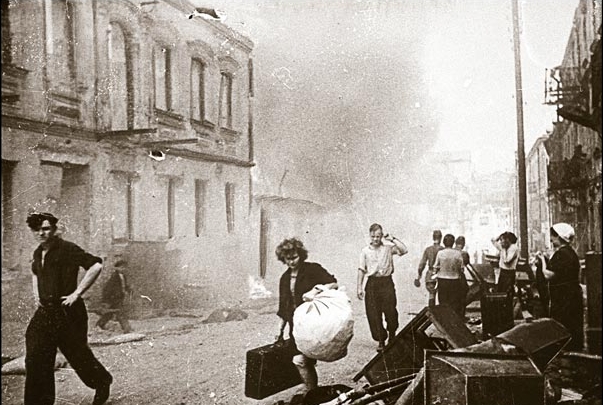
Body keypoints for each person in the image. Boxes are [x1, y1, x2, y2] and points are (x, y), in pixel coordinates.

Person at [24, 212, 113, 405]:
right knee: (36, 355)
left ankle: (102, 382)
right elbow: (35, 272)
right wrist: (36, 295)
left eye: (46, 228)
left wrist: (77, 293)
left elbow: (96, 265)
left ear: (54, 229)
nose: (41, 233)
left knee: (77, 354)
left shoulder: (67, 249)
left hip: (68, 311)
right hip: (45, 312)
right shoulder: (38, 253)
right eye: (37, 229)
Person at [275, 237, 338, 393]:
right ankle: (312, 391)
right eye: (287, 259)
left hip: (313, 323)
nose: (291, 262)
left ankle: (311, 391)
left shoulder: (312, 269)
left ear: (300, 255)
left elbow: (333, 283)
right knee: (302, 361)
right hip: (296, 327)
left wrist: (316, 290)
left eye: (294, 257)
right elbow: (284, 308)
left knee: (300, 360)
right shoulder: (284, 278)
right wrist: (279, 330)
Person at [357, 223, 408, 352]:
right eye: (373, 236)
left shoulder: (388, 248)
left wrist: (392, 239)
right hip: (372, 284)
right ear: (370, 235)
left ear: (382, 235)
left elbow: (404, 250)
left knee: (390, 310)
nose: (376, 239)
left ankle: (392, 334)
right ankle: (381, 340)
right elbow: (361, 270)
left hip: (386, 283)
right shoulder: (365, 251)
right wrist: (359, 287)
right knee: (374, 313)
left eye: (379, 236)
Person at [536, 223, 583, 351]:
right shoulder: (570, 253)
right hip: (571, 294)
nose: (551, 239)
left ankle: (566, 353)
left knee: (563, 323)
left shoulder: (561, 254)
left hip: (564, 296)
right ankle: (573, 350)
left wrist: (542, 261)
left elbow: (548, 275)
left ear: (558, 237)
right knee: (572, 324)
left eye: (552, 236)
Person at [433, 234, 465, 317]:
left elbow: (435, 266)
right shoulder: (458, 254)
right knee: (454, 301)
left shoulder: (440, 253)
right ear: (453, 243)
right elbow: (461, 268)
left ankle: (444, 319)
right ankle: (453, 319)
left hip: (442, 280)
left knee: (443, 301)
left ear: (444, 242)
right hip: (454, 280)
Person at [96, 259, 133, 333]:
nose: (123, 269)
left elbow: (123, 286)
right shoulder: (114, 277)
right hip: (114, 298)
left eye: (124, 267)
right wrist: (107, 299)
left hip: (119, 298)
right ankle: (127, 328)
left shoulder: (123, 276)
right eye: (121, 267)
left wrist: (128, 289)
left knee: (109, 314)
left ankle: (100, 325)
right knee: (120, 313)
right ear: (117, 268)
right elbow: (108, 288)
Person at [414, 230, 444, 307]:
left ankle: (431, 313)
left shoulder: (428, 250)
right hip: (441, 275)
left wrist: (418, 277)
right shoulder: (443, 250)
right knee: (443, 297)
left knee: (431, 295)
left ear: (433, 237)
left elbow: (422, 264)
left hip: (430, 274)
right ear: (441, 238)